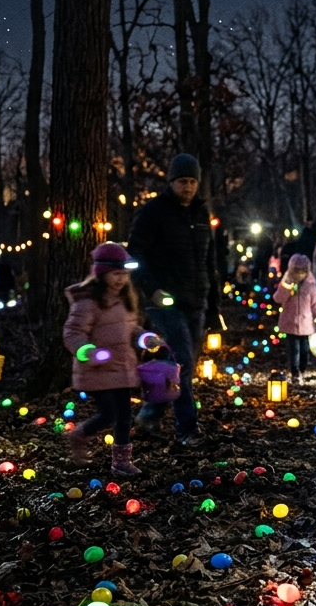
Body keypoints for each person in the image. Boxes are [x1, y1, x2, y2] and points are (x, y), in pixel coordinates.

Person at [126, 153, 219, 446]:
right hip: (166, 301)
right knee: (182, 362)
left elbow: (209, 259)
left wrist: (213, 300)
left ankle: (150, 414)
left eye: (192, 182)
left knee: (174, 362)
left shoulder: (202, 215)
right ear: (172, 182)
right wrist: (152, 290)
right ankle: (187, 428)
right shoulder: (154, 212)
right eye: (182, 181)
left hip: (196, 299)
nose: (188, 187)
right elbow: (135, 254)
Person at [64, 243, 161, 475]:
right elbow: (73, 333)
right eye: (115, 274)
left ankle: (121, 462)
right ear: (101, 273)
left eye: (124, 275)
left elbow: (131, 329)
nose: (120, 280)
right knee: (109, 413)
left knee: (125, 416)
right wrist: (88, 352)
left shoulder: (126, 299)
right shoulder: (88, 302)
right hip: (97, 368)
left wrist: (144, 338)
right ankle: (79, 435)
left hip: (122, 367)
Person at [272, 254, 316, 380]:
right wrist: (287, 288)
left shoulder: (310, 286)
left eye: (303, 271)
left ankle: (302, 369)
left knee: (305, 350)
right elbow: (278, 298)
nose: (300, 274)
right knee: (293, 350)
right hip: (290, 323)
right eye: (297, 271)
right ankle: (295, 372)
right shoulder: (286, 284)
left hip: (306, 324)